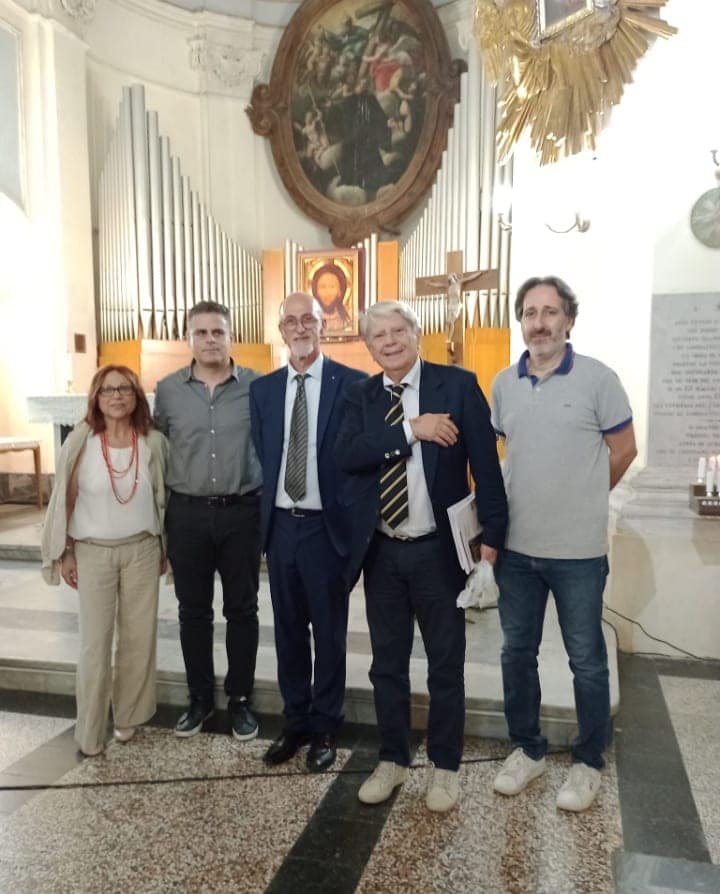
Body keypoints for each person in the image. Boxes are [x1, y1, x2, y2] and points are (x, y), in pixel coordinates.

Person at [335, 301, 507, 812]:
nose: (389, 341)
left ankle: (446, 768)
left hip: (439, 553)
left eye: (398, 331)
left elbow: (487, 470)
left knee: (445, 666)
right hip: (383, 553)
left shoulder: (457, 385)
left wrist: (491, 546)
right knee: (386, 666)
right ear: (369, 346)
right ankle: (392, 759)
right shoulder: (361, 395)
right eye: (379, 335)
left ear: (416, 334)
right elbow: (347, 456)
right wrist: (413, 429)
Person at [491, 275, 637, 812]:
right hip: (517, 549)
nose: (540, 323)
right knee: (516, 653)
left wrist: (585, 496)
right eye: (530, 313)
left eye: (550, 312)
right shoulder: (504, 384)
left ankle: (588, 761)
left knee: (587, 660)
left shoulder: (598, 378)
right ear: (521, 321)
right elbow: (505, 456)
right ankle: (526, 749)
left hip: (578, 552)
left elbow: (624, 449)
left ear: (569, 320)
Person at [250, 292, 366, 771]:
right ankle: (295, 722)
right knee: (288, 632)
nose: (300, 328)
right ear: (281, 331)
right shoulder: (263, 390)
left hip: (325, 529)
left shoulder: (353, 384)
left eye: (308, 320)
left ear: (324, 326)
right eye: (291, 321)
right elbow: (265, 451)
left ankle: (325, 726)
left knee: (329, 634)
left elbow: (360, 460)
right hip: (281, 526)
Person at [41, 365, 167, 757]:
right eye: (108, 390)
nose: (116, 396)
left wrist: (165, 548)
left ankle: (127, 717)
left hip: (142, 549)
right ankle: (90, 730)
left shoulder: (153, 441)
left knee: (138, 640)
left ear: (136, 396)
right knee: (95, 645)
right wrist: (66, 551)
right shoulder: (81, 441)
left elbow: (165, 498)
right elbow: (65, 499)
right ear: (96, 397)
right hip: (92, 550)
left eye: (125, 389)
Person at [154, 301, 262, 742]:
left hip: (242, 511)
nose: (210, 340)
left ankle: (240, 700)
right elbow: (158, 447)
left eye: (218, 331)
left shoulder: (257, 386)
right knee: (193, 612)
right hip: (188, 514)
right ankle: (199, 698)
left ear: (231, 335)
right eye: (201, 332)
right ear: (189, 339)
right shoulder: (168, 390)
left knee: (242, 609)